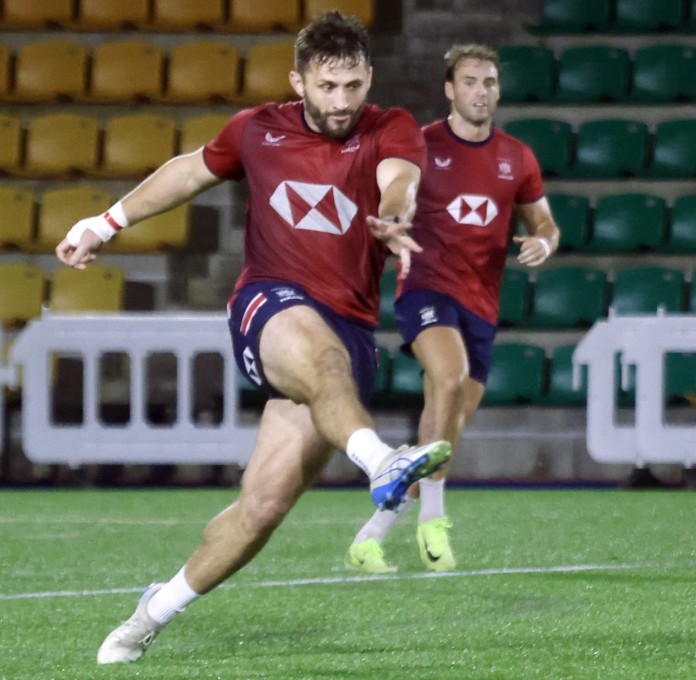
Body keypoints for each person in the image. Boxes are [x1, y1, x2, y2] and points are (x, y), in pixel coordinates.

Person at [56, 12, 452, 665]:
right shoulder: (258, 129)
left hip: (349, 330)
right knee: (318, 356)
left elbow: (400, 180)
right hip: (267, 303)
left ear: (369, 77)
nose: (342, 101)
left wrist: (394, 214)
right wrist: (105, 221)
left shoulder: (392, 127)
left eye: (353, 85)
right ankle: (383, 462)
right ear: (298, 80)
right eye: (327, 87)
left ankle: (151, 611)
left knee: (261, 508)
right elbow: (189, 171)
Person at [345, 44, 560, 574]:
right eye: (469, 82)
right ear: (449, 89)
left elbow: (545, 224)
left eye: (488, 82)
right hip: (425, 289)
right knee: (448, 380)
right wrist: (393, 216)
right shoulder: (420, 145)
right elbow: (399, 191)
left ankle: (370, 538)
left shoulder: (518, 157)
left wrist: (544, 244)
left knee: (445, 423)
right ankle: (434, 519)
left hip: (482, 305)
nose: (480, 92)